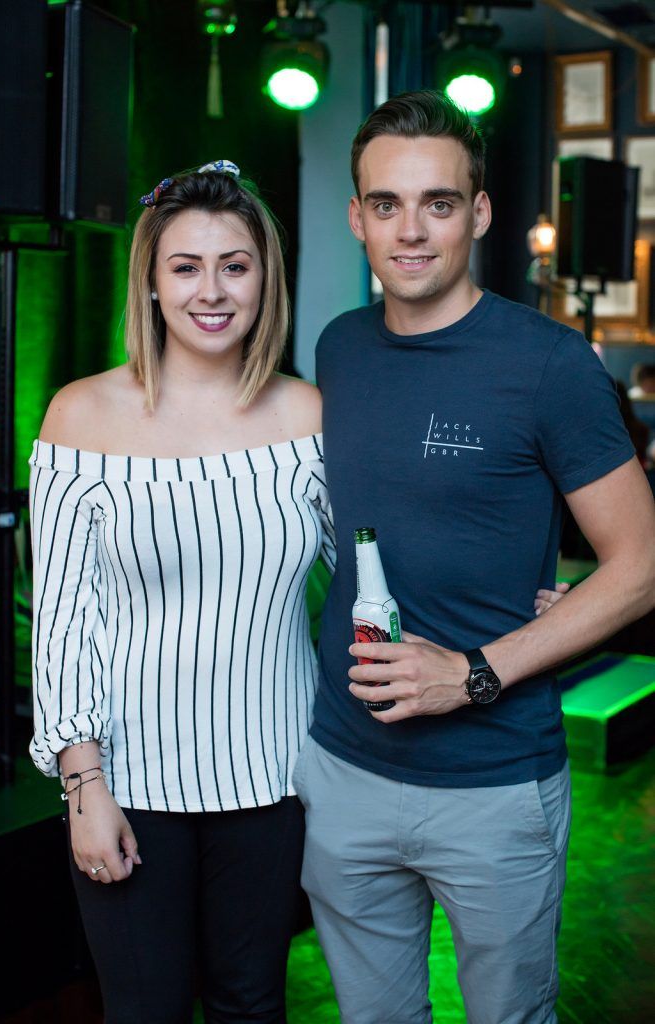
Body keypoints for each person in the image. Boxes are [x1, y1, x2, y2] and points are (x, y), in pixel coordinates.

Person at [293, 91, 655, 1024]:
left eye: (439, 203)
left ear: (480, 212)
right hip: (343, 769)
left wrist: (475, 674)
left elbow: (640, 564)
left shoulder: (550, 362)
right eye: (386, 204)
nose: (411, 231)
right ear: (357, 218)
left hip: (494, 786)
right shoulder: (337, 349)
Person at [29, 161, 334, 1024]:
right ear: (152, 282)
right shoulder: (80, 416)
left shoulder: (307, 417)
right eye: (186, 266)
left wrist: (511, 596)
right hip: (128, 783)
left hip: (274, 780)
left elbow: (372, 566)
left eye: (234, 265)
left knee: (251, 1004)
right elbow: (61, 620)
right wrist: (83, 789)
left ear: (264, 276)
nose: (212, 290)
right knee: (145, 1011)